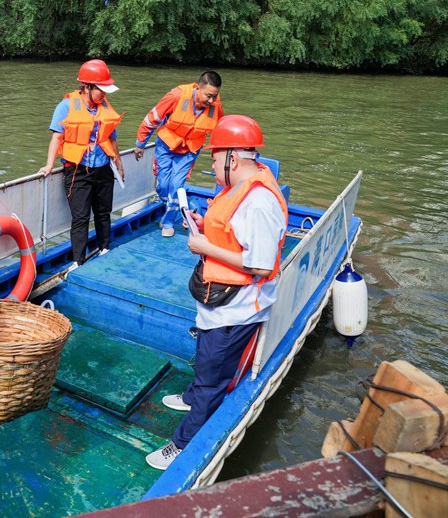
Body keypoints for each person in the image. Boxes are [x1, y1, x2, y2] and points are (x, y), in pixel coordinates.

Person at [145, 115, 288, 470]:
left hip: (236, 308)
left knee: (213, 376)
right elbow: (231, 231)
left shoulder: (259, 202)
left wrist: (202, 247)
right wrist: (200, 222)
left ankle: (183, 445)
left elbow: (258, 263)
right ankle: (194, 396)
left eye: (213, 159)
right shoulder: (238, 189)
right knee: (205, 357)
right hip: (219, 299)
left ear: (232, 159)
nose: (211, 167)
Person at [38, 59, 125, 268]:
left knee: (103, 212)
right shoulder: (66, 106)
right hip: (77, 171)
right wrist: (49, 165)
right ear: (87, 87)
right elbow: (56, 138)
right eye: (101, 90)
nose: (104, 94)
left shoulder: (104, 106)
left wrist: (119, 162)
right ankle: (79, 260)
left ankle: (105, 248)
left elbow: (112, 138)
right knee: (81, 218)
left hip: (103, 169)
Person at [134, 71, 223, 237]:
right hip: (166, 146)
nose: (211, 101)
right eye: (208, 96)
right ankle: (189, 205)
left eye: (215, 96)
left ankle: (168, 222)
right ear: (198, 87)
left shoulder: (215, 105)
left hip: (190, 150)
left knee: (176, 186)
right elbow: (151, 119)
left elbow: (221, 129)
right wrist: (140, 144)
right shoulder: (176, 96)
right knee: (162, 186)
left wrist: (221, 152)